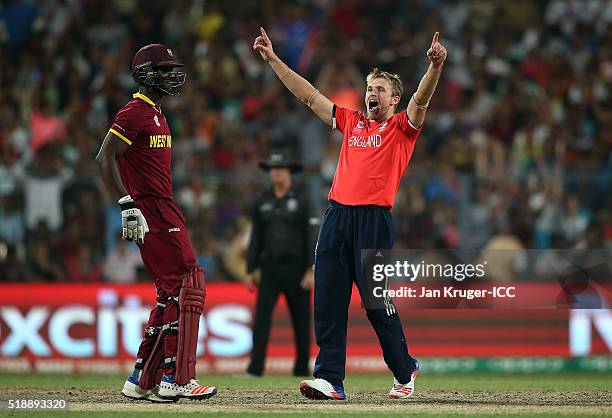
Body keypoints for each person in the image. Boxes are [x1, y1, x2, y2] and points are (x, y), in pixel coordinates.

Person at [253, 28, 447, 400]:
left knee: (375, 302)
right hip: (337, 217)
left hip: (373, 222)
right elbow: (309, 96)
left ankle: (405, 369)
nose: (371, 93)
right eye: (369, 88)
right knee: (327, 298)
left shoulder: (402, 128)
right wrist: (273, 59)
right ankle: (329, 379)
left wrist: (434, 66)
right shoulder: (351, 122)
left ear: (393, 100)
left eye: (379, 90)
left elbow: (421, 100)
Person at [96, 44, 216, 402]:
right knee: (186, 283)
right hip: (153, 210)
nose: (171, 76)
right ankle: (175, 379)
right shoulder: (134, 112)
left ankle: (142, 378)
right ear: (145, 74)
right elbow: (104, 157)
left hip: (163, 207)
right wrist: (126, 205)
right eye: (163, 70)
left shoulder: (158, 113)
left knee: (169, 292)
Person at [244, 151, 315, 377]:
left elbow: (312, 235)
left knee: (301, 322)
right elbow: (256, 236)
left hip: (297, 269)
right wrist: (250, 268)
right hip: (270, 268)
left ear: (289, 172)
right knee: (261, 321)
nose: (275, 173)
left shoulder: (303, 198)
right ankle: (255, 369)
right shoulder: (263, 199)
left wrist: (310, 269)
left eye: (280, 168)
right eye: (272, 169)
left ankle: (302, 369)